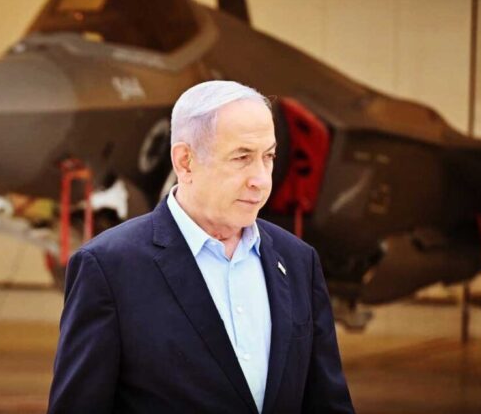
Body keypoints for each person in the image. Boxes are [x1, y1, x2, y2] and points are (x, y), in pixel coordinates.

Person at [47, 80, 354, 413]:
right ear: (185, 162)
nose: (262, 179)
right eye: (242, 157)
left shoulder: (298, 261)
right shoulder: (108, 268)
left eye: (268, 157)